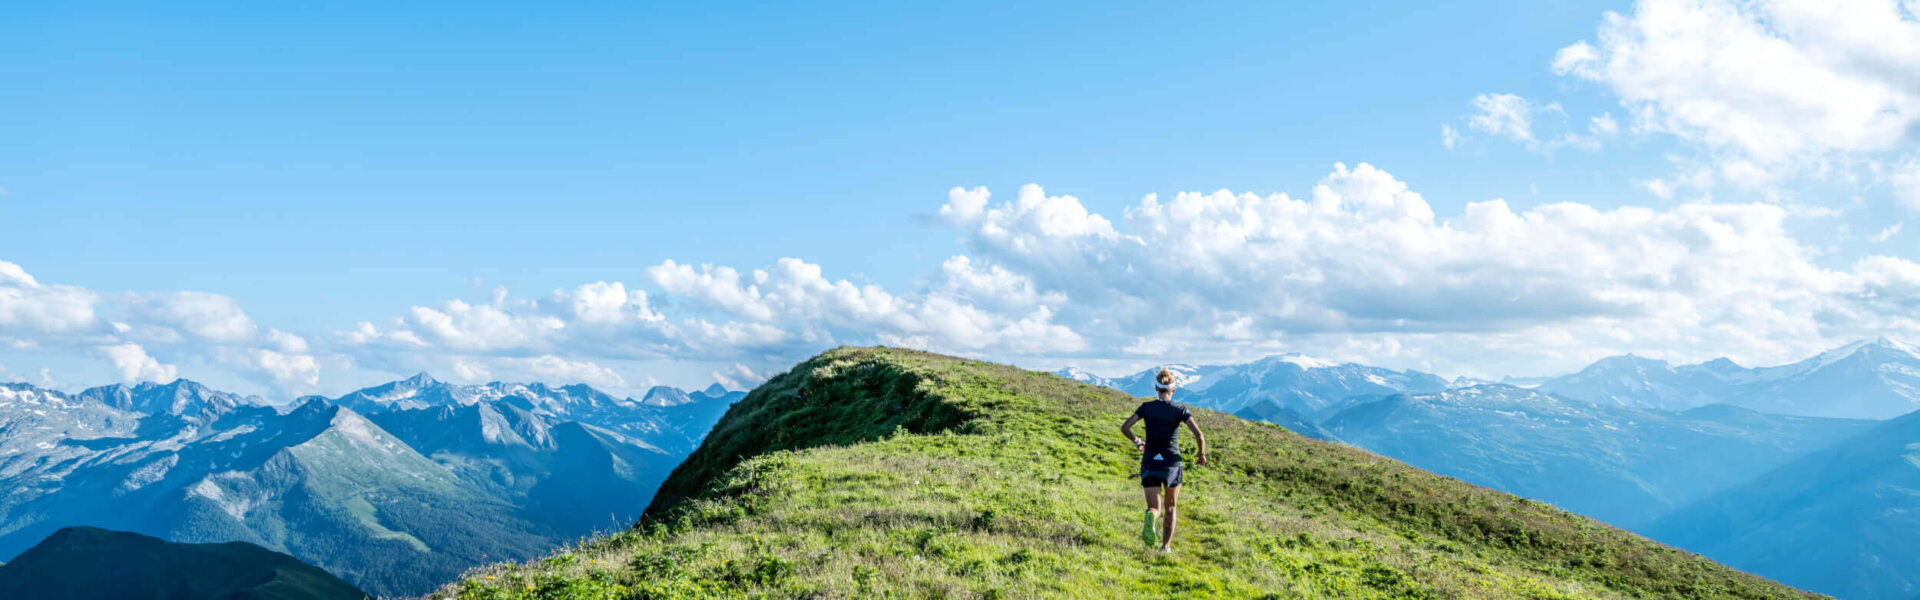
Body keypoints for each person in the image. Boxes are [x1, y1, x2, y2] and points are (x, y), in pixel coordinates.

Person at [1119, 367, 1208, 553]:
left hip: (1150, 461)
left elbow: (1125, 427)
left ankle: (1151, 515)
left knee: (1154, 507)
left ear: (1156, 388)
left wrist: (1137, 442)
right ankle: (1165, 547)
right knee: (1171, 508)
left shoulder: (1146, 408)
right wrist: (1201, 454)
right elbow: (1199, 435)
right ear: (1173, 389)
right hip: (1171, 464)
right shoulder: (1181, 410)